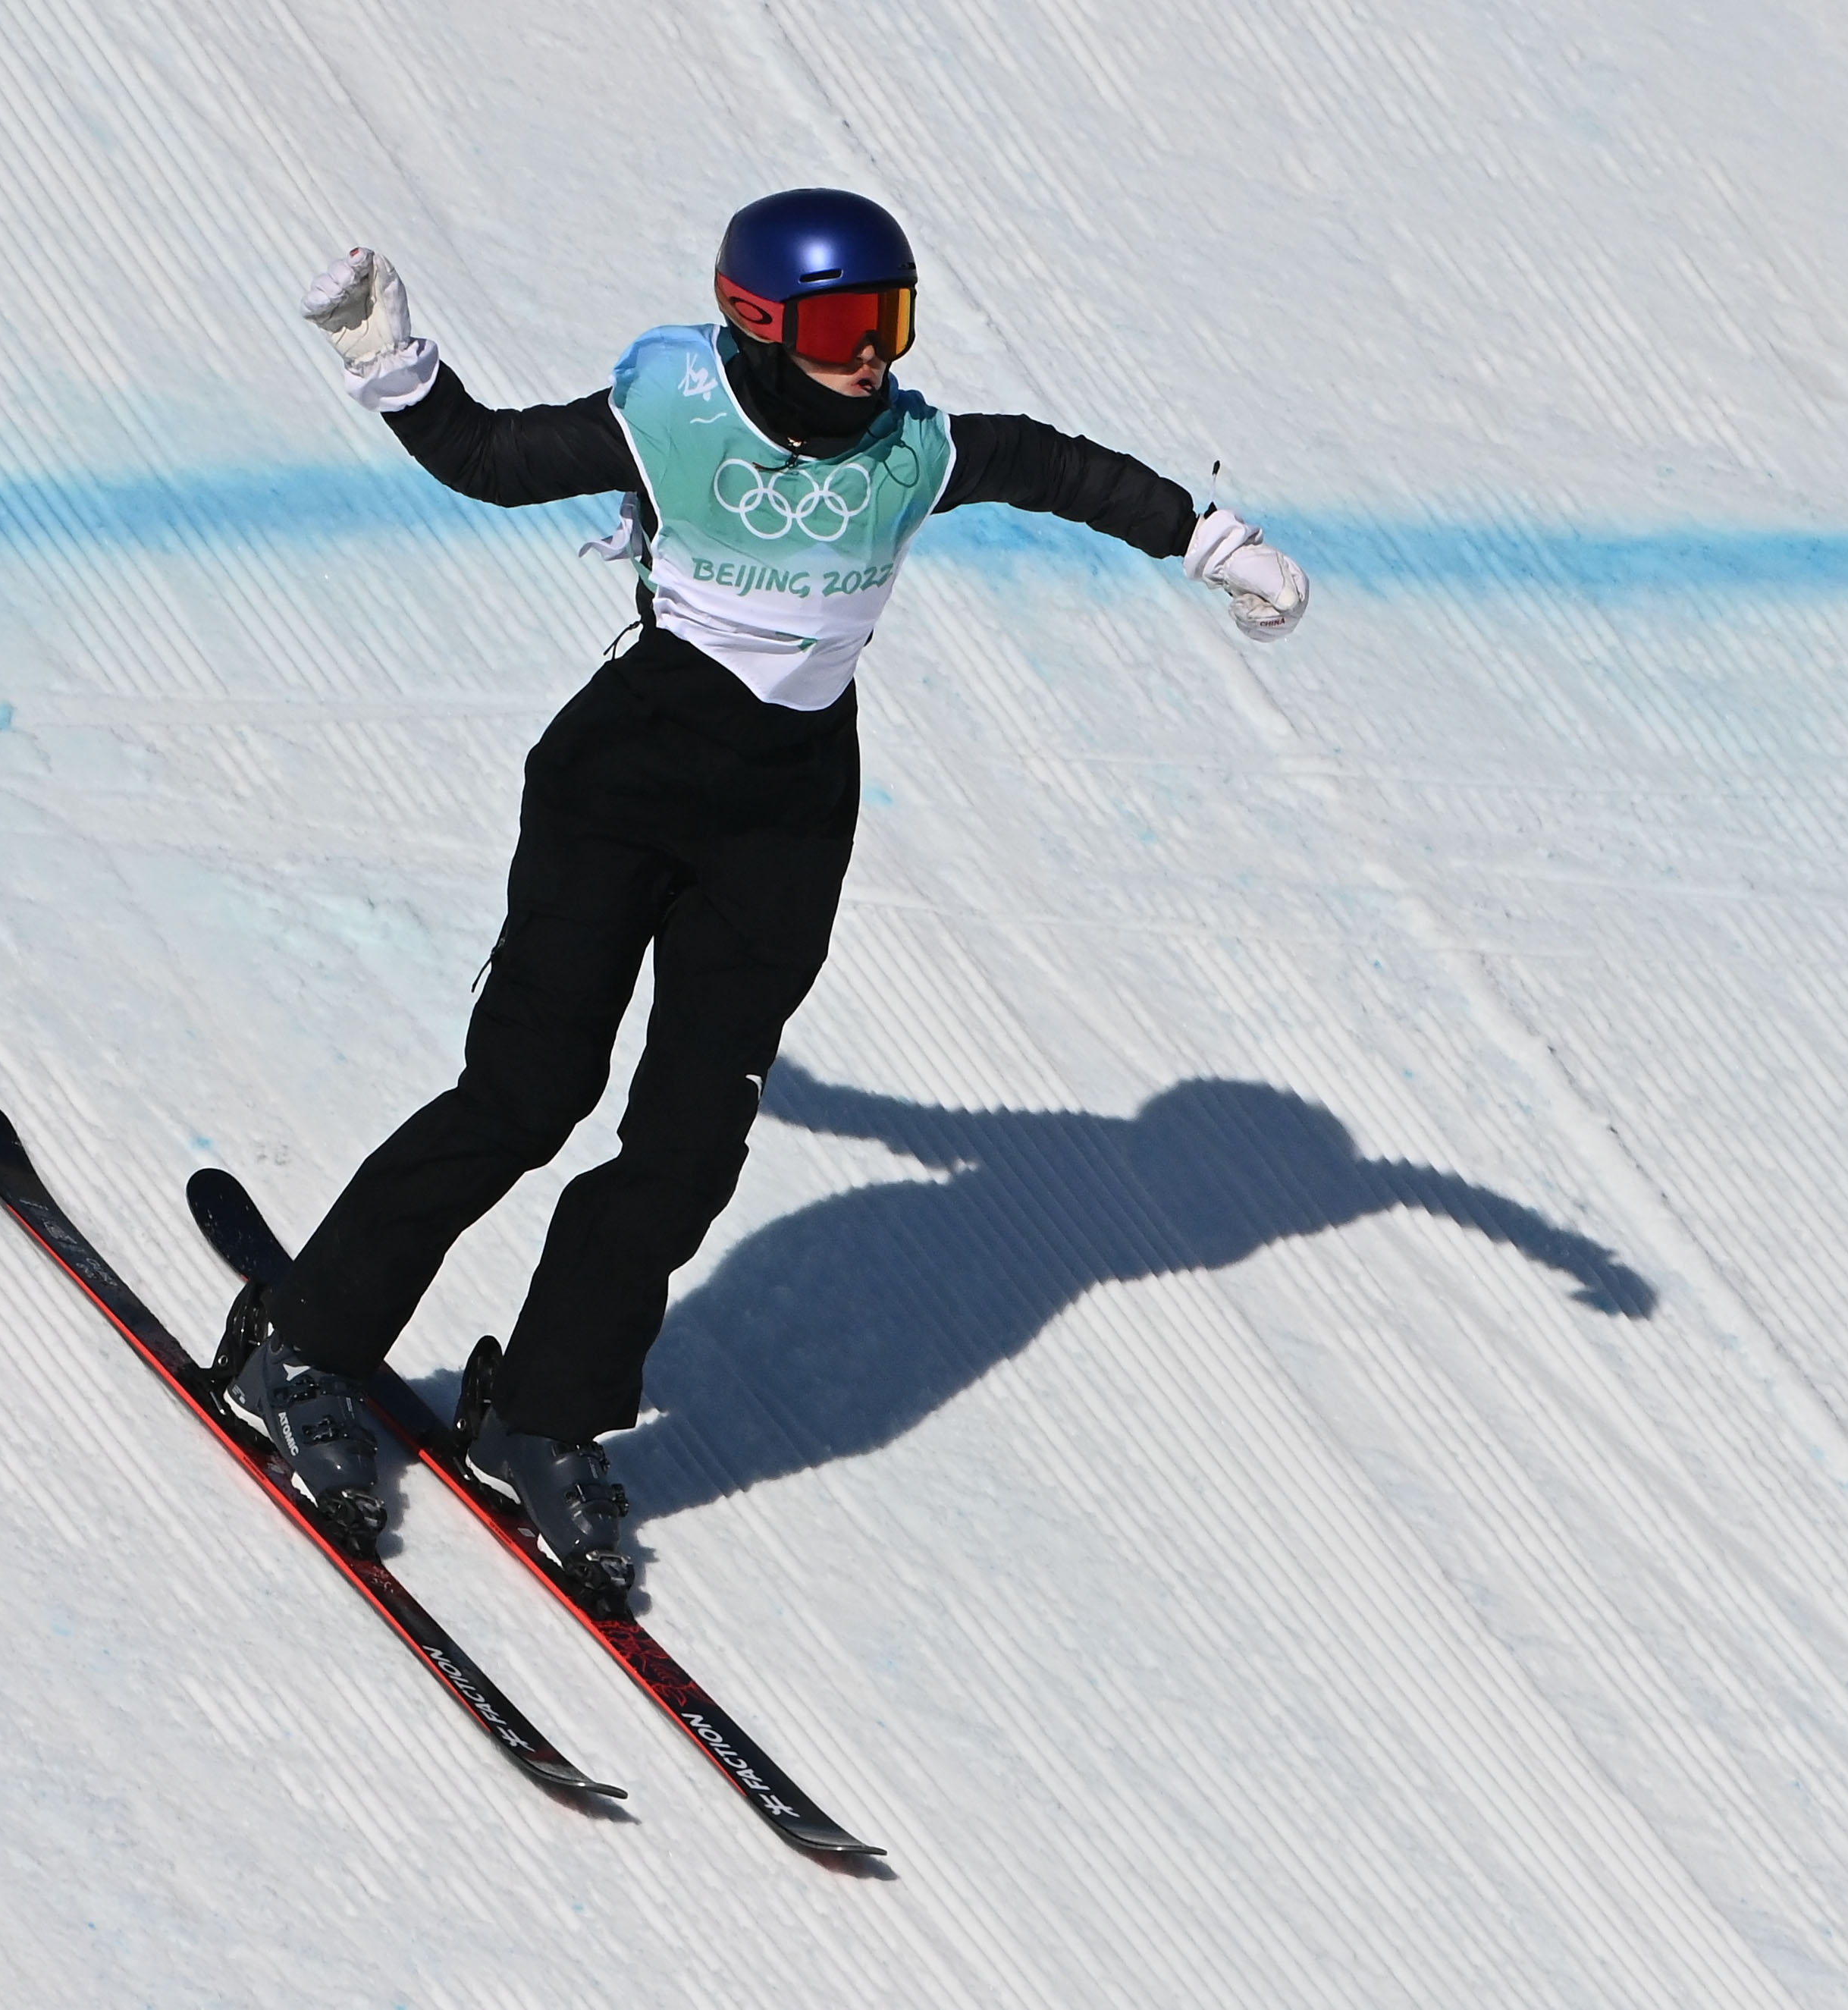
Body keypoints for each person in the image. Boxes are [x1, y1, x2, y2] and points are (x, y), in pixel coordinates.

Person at [218, 188, 1310, 1589]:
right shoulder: (672, 413)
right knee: (527, 1093)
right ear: (757, 320)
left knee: (686, 1146)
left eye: (892, 320)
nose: (875, 353)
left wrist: (1210, 543)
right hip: (620, 790)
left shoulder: (914, 448)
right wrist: (391, 361)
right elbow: (489, 461)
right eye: (848, 324)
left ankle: (545, 1414)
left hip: (786, 825)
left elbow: (1058, 469)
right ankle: (303, 1342)